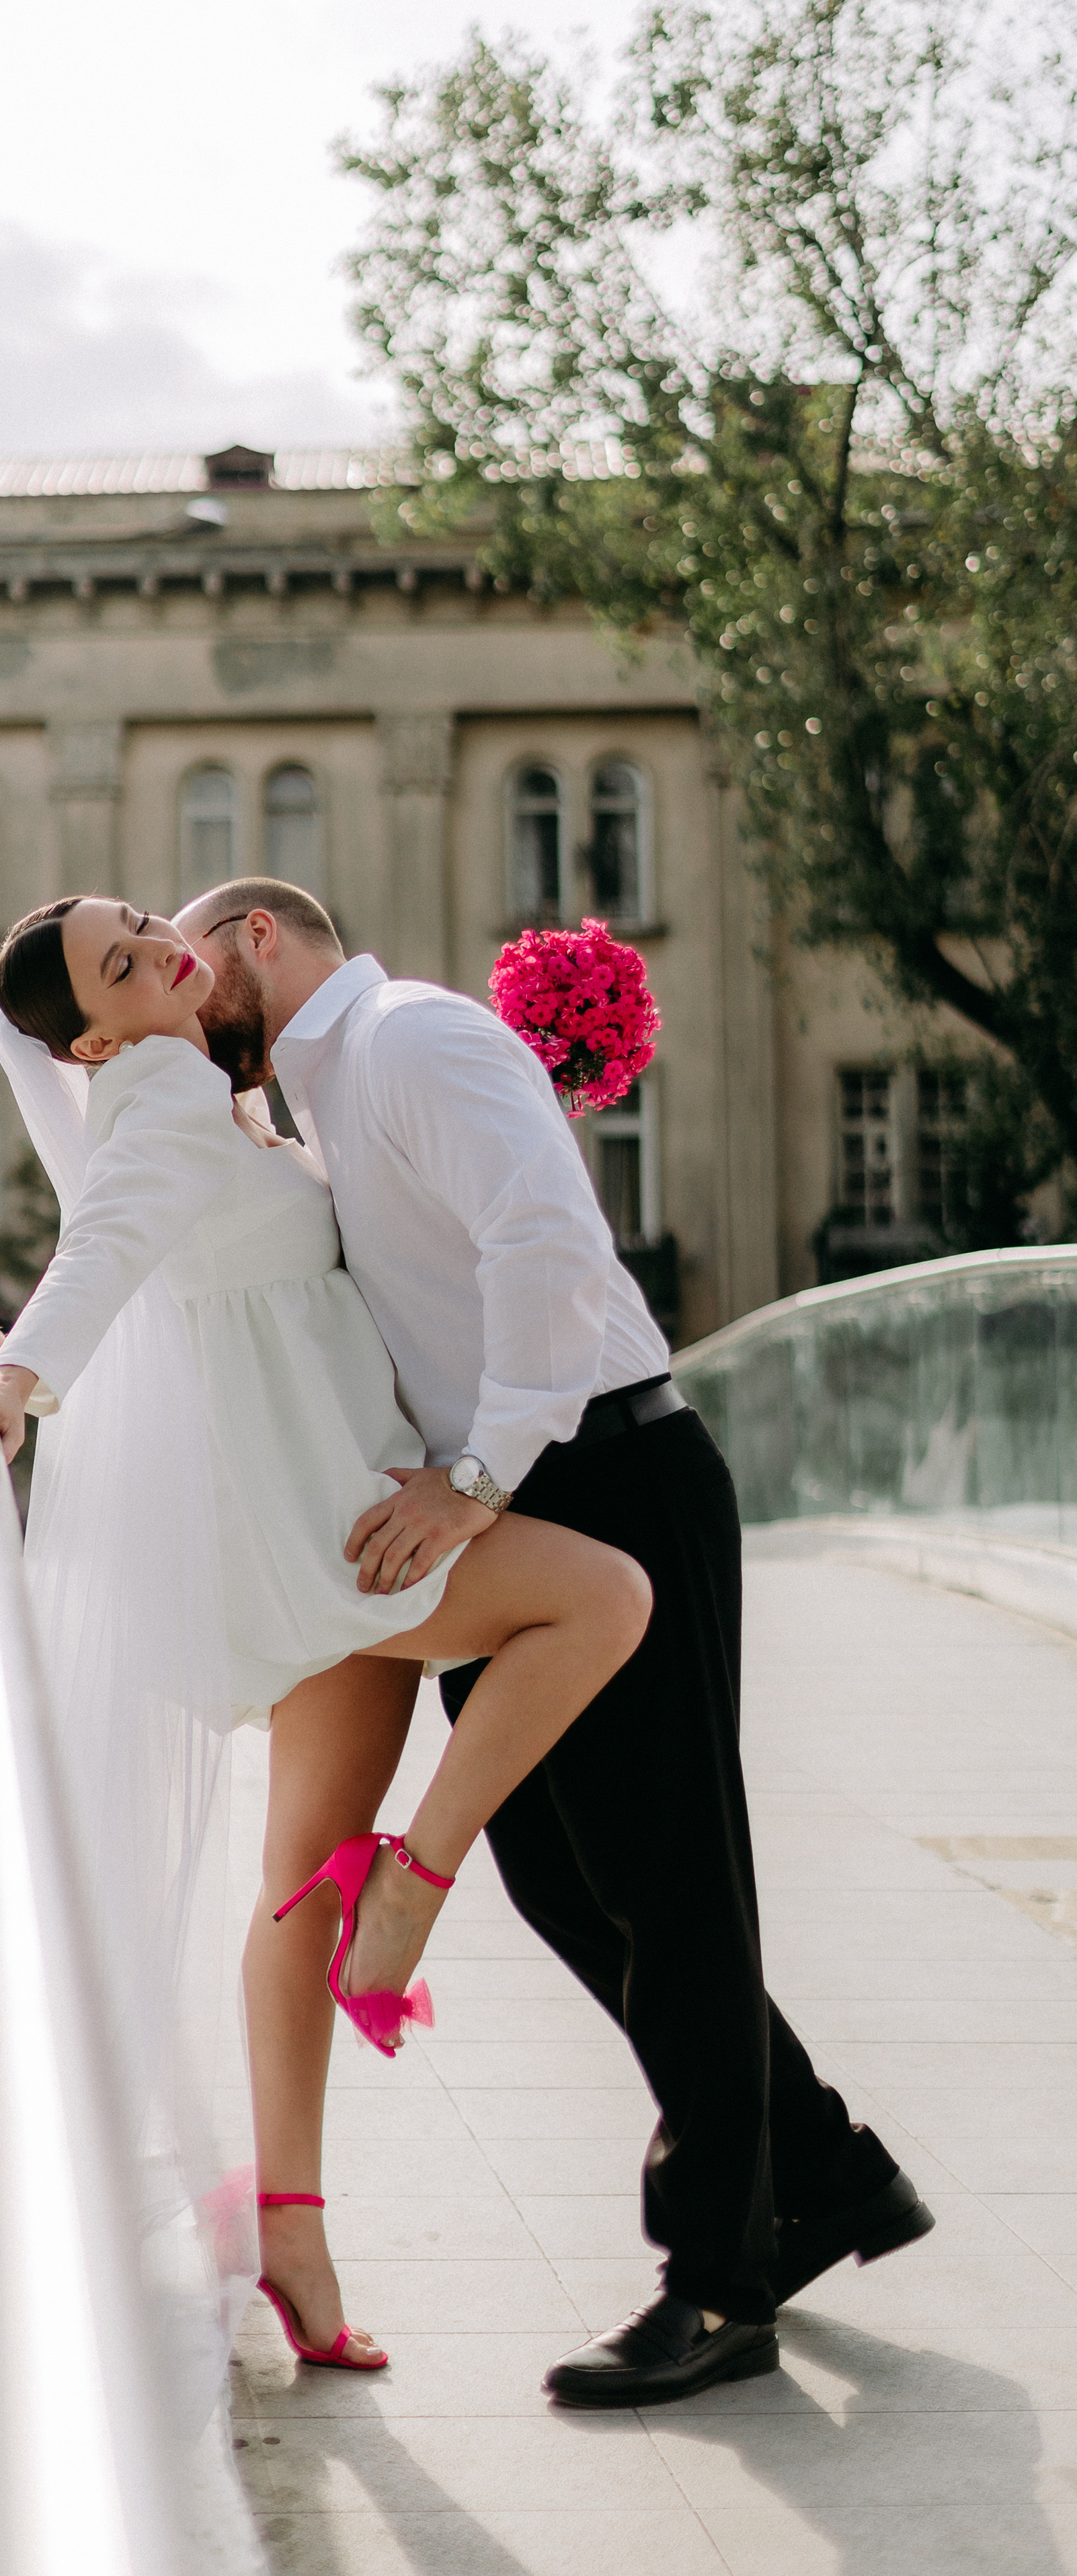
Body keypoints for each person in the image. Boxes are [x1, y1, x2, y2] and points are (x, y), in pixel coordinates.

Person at [174, 875, 936, 2407]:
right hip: (512, 1497)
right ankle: (829, 2172)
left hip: (591, 1473)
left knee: (667, 1884)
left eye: (181, 970)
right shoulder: (317, 1097)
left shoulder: (407, 1040)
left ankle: (722, 2283)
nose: (175, 1008)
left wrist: (474, 1480)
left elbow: (545, 1239)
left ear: (257, 939)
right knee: (568, 1885)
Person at [0, 894, 651, 2373]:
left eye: (140, 925)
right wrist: (13, 1391)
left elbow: (155, 1280)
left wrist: (17, 1353)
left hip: (316, 1507)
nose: (155, 952)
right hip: (336, 1533)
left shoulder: (214, 1096)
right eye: (121, 969)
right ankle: (418, 1883)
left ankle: (290, 2230)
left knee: (285, 1889)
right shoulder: (169, 1102)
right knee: (603, 1599)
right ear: (91, 1040)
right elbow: (109, 1246)